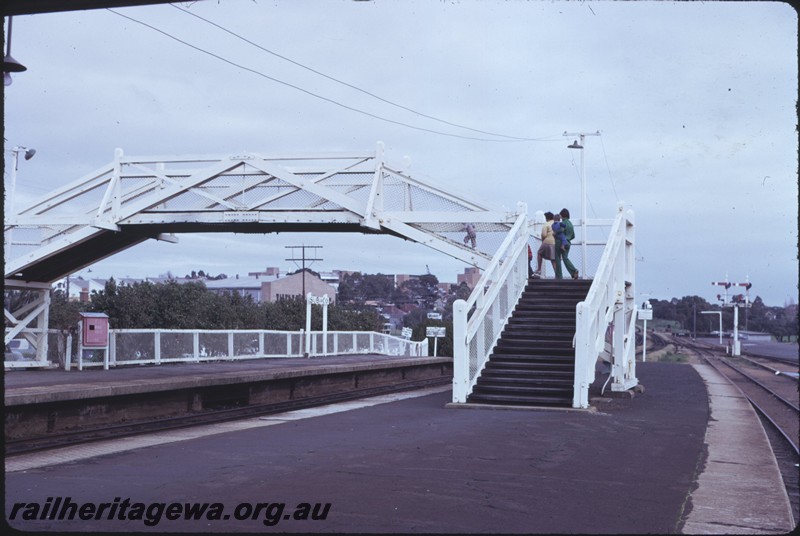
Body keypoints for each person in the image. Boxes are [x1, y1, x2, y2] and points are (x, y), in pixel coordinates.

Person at [555, 208, 579, 280]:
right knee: (565, 258)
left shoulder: (563, 223)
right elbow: (573, 236)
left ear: (562, 216)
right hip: (568, 243)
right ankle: (573, 271)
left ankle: (559, 276)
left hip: (561, 242)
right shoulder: (570, 224)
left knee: (558, 258)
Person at [532, 212, 556, 278]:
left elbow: (544, 235)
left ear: (547, 218)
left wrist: (543, 240)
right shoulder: (556, 223)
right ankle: (557, 274)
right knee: (553, 259)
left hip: (547, 242)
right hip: (555, 243)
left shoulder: (546, 224)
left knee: (539, 253)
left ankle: (539, 269)